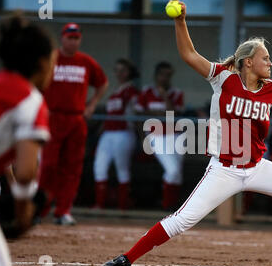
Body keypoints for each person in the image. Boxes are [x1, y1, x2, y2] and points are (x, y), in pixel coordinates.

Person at [101, 0, 272, 266]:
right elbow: (189, 54)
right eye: (265, 58)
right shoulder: (223, 79)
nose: (270, 62)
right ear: (248, 62)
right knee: (181, 221)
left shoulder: (271, 88)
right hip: (224, 170)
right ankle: (124, 259)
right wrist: (180, 21)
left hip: (257, 167)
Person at [0, 14, 54, 266]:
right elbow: (25, 172)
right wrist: (23, 211)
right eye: (52, 61)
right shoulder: (30, 98)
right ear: (42, 63)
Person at [39, 22, 108, 225]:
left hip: (76, 119)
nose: (73, 41)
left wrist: (92, 105)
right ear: (62, 38)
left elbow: (102, 83)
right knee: (49, 165)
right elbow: (34, 81)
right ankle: (40, 210)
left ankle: (63, 211)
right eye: (70, 37)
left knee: (72, 167)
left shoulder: (85, 62)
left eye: (76, 38)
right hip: (52, 117)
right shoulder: (51, 59)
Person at [135, 62, 185, 210]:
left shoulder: (176, 93)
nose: (165, 78)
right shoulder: (146, 92)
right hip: (155, 135)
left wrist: (164, 97)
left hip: (176, 135)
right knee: (172, 170)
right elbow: (138, 115)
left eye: (168, 75)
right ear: (156, 75)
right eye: (162, 74)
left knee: (177, 173)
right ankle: (167, 206)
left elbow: (173, 114)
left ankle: (174, 207)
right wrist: (142, 137)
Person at [92, 59, 140, 210]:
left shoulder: (132, 91)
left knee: (122, 168)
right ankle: (99, 204)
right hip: (108, 133)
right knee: (99, 166)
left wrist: (142, 136)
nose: (119, 74)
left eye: (123, 70)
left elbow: (136, 114)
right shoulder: (115, 91)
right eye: (117, 70)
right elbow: (108, 115)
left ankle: (122, 206)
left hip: (124, 133)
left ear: (130, 73)